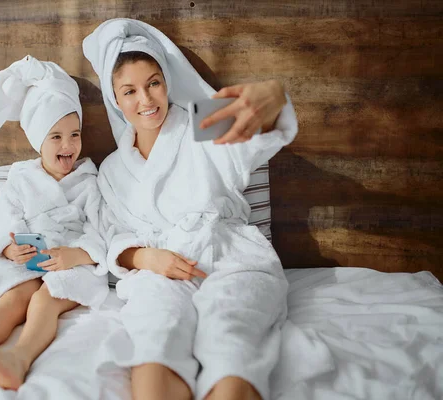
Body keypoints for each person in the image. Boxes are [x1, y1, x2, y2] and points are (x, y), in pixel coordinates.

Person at [83, 19, 298, 400]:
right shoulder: (113, 170)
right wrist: (147, 257)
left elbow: (262, 123)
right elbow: (114, 237)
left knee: (231, 340)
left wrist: (274, 93)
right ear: (115, 99)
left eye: (153, 83)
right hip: (160, 270)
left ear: (166, 82)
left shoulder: (203, 123)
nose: (146, 100)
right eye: (129, 90)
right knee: (156, 339)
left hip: (230, 256)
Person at [0, 56, 108, 390]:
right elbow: (5, 223)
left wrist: (76, 256)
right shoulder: (20, 179)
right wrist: (10, 248)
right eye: (56, 137)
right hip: (31, 262)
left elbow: (102, 231)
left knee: (46, 298)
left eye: (74, 134)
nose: (68, 145)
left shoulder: (91, 181)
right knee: (16, 296)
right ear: (37, 140)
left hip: (72, 265)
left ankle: (19, 357)